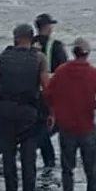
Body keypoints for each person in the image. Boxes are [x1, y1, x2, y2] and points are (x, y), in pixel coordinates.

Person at [44, 37, 96, 191]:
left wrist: (57, 109)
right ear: (87, 53)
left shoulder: (62, 71)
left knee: (67, 168)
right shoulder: (93, 73)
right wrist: (93, 104)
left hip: (66, 126)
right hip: (87, 125)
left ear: (73, 52)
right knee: (91, 168)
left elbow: (48, 94)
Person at [0, 23, 49, 191]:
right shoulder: (39, 58)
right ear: (32, 38)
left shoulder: (3, 57)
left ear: (16, 37)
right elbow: (46, 87)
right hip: (28, 111)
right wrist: (48, 110)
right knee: (28, 155)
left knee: (8, 154)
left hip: (6, 109)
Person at [32, 13, 67, 168]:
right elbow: (65, 71)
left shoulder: (28, 43)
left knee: (38, 125)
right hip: (50, 93)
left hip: (30, 93)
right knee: (54, 125)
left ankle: (36, 148)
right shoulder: (56, 46)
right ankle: (49, 160)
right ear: (47, 27)